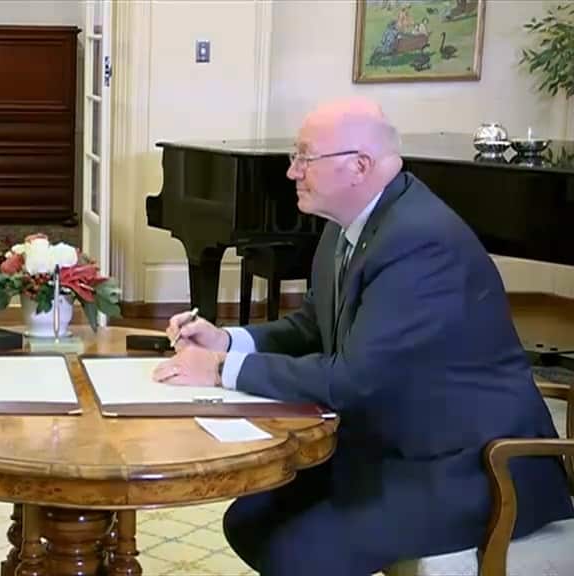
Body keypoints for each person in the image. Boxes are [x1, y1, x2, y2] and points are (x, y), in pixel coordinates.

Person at [152, 98, 573, 575]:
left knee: (298, 552)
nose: (292, 172)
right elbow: (313, 327)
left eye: (304, 158)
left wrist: (222, 371)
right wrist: (229, 342)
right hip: (394, 445)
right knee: (250, 518)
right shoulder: (348, 226)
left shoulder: (419, 240)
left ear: (359, 166)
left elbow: (352, 379)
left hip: (471, 466)